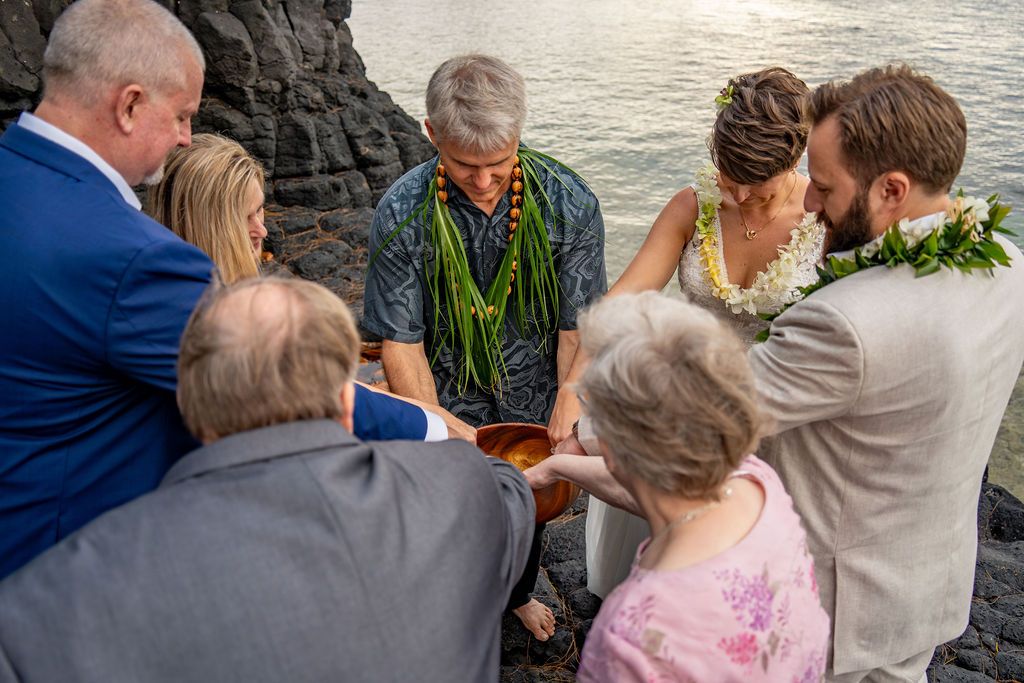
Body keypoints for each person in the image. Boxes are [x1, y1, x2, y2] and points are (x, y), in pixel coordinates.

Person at [0, 0, 452, 583]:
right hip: (59, 564)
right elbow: (274, 388)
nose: (185, 138)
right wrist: (438, 431)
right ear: (130, 105)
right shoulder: (131, 257)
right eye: (182, 116)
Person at [0, 277, 536, 683]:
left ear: (189, 405)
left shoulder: (50, 600)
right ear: (349, 400)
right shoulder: (464, 489)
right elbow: (511, 490)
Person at [747, 65, 1024, 681]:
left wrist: (579, 438)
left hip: (828, 618)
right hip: (928, 590)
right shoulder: (1008, 261)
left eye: (823, 185)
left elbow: (704, 416)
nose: (808, 202)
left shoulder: (844, 320)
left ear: (891, 190)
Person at [552, 67, 825, 598]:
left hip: (776, 408)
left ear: (794, 161)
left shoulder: (825, 220)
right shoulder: (693, 206)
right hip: (684, 395)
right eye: (729, 174)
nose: (739, 193)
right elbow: (624, 299)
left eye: (758, 185)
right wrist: (572, 386)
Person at [363, 53, 606, 640]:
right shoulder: (402, 212)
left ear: (518, 134)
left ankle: (518, 592)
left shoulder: (569, 202)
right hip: (445, 388)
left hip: (536, 390)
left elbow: (579, 326)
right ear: (431, 134)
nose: (482, 181)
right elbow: (402, 341)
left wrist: (567, 403)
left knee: (529, 508)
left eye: (498, 163)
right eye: (464, 164)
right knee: (447, 509)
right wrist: (434, 428)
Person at [523, 291, 829, 681]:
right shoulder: (756, 481)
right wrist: (556, 468)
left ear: (612, 445)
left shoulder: (631, 634)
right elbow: (644, 489)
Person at [147, 133, 471, 441]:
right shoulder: (187, 314)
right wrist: (430, 423)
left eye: (260, 210)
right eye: (244, 219)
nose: (262, 230)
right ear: (208, 225)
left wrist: (413, 407)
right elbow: (295, 390)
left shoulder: (179, 284)